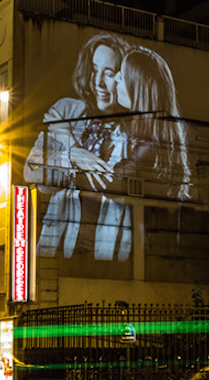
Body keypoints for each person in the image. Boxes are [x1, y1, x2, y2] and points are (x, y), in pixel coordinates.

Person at [24, 33, 132, 258]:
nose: (98, 82)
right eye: (94, 70)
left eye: (109, 73)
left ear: (123, 79)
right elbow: (30, 171)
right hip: (57, 251)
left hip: (109, 255)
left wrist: (67, 141)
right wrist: (72, 155)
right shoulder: (66, 111)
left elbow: (120, 188)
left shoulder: (134, 132)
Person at [95, 47, 191, 260]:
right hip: (131, 252)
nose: (117, 78)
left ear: (137, 87)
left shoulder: (149, 143)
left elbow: (112, 182)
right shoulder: (137, 134)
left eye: (123, 74)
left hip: (135, 254)